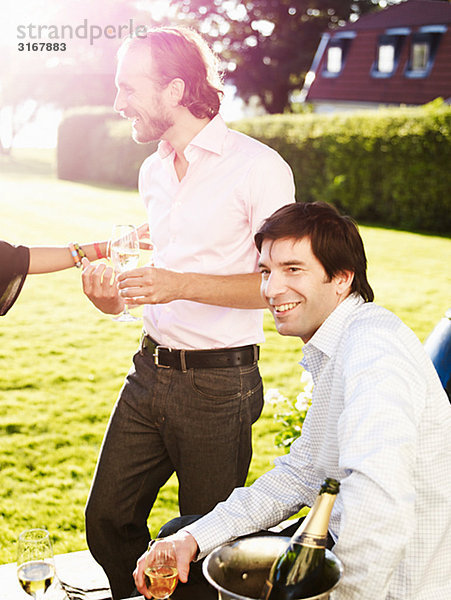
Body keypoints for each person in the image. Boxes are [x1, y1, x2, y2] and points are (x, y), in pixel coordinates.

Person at [134, 202, 451, 600]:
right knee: (180, 538)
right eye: (266, 271)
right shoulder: (340, 343)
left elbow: (379, 510)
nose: (271, 289)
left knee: (193, 581)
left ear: (341, 278)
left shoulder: (374, 352)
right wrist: (194, 538)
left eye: (293, 269)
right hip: (334, 541)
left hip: (397, 581)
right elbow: (302, 473)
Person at [80, 26, 295, 600]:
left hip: (219, 385)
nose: (118, 101)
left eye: (129, 87)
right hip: (147, 372)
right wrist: (112, 300)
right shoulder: (154, 170)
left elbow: (283, 284)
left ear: (174, 89)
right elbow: (154, 278)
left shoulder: (257, 167)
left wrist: (178, 284)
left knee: (204, 543)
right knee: (107, 521)